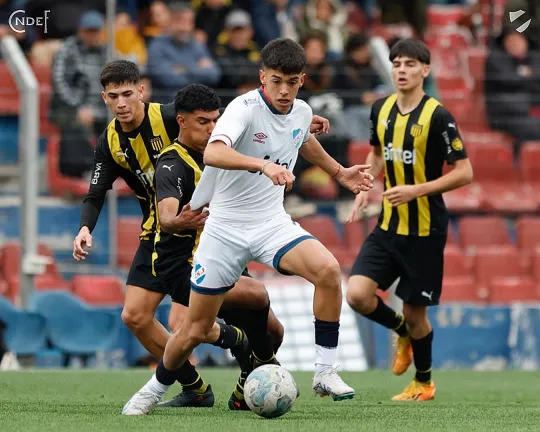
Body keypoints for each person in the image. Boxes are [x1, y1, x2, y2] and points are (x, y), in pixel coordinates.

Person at [121, 37, 374, 416]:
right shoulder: (242, 109)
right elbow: (213, 151)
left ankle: (325, 371)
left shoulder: (301, 111)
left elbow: (302, 138)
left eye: (292, 82)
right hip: (223, 228)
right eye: (277, 81)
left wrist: (339, 172)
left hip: (270, 223)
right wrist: (263, 165)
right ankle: (153, 390)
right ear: (262, 77)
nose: (284, 90)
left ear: (302, 80)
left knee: (327, 270)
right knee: (194, 328)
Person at [72, 60, 332, 406]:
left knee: (267, 329)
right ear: (104, 98)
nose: (122, 103)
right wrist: (85, 228)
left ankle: (245, 375)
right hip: (163, 233)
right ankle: (196, 386)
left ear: (141, 92)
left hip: (218, 230)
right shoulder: (111, 142)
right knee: (137, 316)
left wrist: (290, 123)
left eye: (128, 94)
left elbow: (234, 123)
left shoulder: (171, 116)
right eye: (114, 96)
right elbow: (95, 192)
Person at [345, 39, 474, 401]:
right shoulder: (381, 109)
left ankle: (424, 382)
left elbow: (465, 172)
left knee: (417, 316)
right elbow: (376, 155)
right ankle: (400, 331)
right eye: (397, 64)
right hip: (388, 226)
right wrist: (366, 186)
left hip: (425, 231)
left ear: (425, 70)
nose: (402, 70)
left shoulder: (438, 116)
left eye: (410, 64)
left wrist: (417, 190)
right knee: (357, 295)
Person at [150, 83, 285, 410]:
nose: (212, 128)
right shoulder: (172, 164)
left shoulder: (227, 149)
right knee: (253, 299)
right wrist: (179, 221)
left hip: (227, 257)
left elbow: (268, 130)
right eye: (203, 122)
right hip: (188, 265)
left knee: (275, 332)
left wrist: (303, 127)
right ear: (182, 121)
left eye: (215, 120)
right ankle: (160, 391)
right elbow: (166, 216)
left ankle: (243, 391)